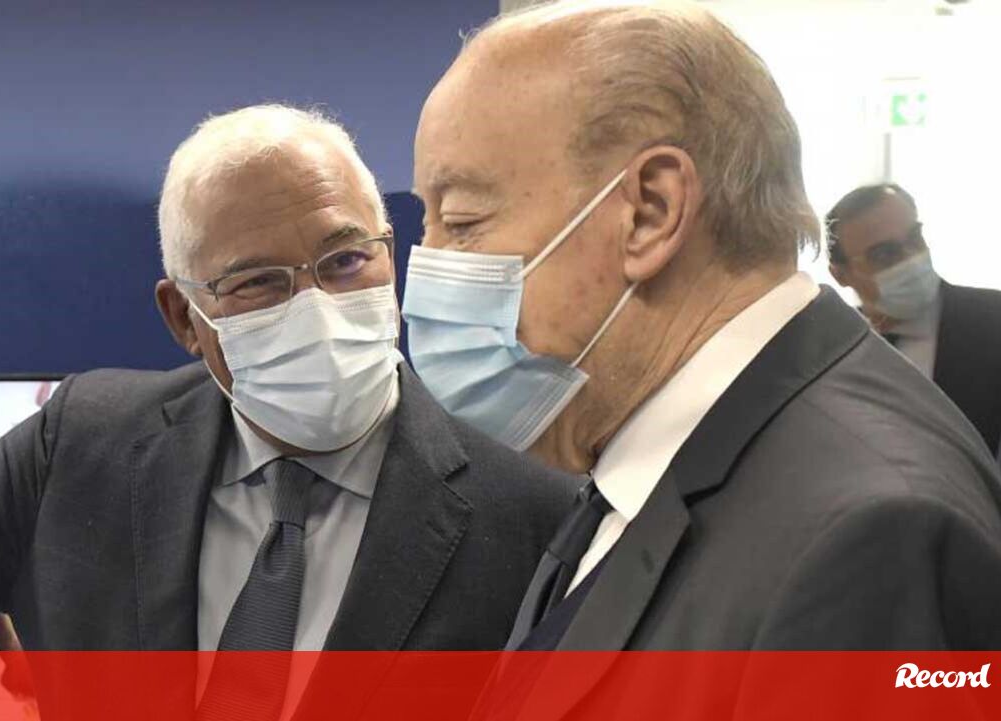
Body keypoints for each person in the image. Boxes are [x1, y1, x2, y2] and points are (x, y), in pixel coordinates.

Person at [0, 104, 576, 717]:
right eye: (259, 281)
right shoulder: (85, 445)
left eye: (345, 260)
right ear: (184, 318)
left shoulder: (535, 521)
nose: (319, 307)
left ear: (390, 254)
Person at [402, 0, 1001, 682]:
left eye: (463, 220)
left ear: (650, 212)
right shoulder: (641, 458)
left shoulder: (868, 537)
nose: (428, 266)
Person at [827, 183, 1001, 459]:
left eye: (914, 239)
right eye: (884, 254)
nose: (911, 259)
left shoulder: (992, 320)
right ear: (840, 275)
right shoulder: (833, 348)